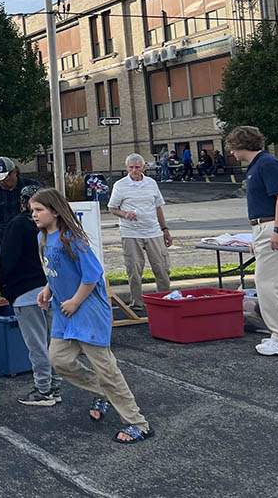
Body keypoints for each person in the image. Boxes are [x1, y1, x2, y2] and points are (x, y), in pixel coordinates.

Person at [30, 188, 154, 444]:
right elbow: (56, 271)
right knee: (59, 360)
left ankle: (138, 423)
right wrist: (48, 290)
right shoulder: (44, 238)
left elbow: (92, 274)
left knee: (107, 370)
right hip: (66, 314)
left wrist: (75, 301)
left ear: (54, 211)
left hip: (87, 312)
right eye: (32, 210)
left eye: (39, 210)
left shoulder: (72, 238)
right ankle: (103, 392)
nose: (34, 215)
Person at [225, 126, 278, 356]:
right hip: (264, 226)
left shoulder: (267, 164)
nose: (231, 151)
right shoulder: (259, 165)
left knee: (269, 285)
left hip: (272, 225)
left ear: (242, 145)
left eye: (232, 146)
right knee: (274, 283)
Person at [0, 185, 61, 407]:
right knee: (52, 340)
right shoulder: (54, 227)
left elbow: (7, 260)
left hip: (25, 290)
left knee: (36, 344)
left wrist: (4, 286)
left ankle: (43, 389)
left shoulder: (17, 225)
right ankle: (54, 384)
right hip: (50, 287)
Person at [107, 154, 173, 311]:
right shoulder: (120, 185)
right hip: (131, 233)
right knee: (134, 269)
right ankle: (137, 302)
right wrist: (125, 214)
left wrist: (165, 229)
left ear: (144, 167)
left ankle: (165, 300)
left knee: (162, 267)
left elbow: (158, 207)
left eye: (137, 167)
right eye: (131, 167)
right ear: (126, 168)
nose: (134, 171)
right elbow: (112, 208)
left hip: (153, 231)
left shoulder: (151, 183)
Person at [0, 157, 41, 273]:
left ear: (14, 173)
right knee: (0, 278)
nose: (1, 182)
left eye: (4, 178)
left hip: (29, 243)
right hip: (1, 243)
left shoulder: (32, 187)